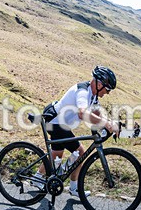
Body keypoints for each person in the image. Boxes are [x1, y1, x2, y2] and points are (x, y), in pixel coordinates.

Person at [39, 65, 119, 198]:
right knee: (80, 152)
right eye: (108, 89)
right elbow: (82, 113)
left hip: (60, 123)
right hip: (55, 122)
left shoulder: (93, 96)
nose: (108, 93)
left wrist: (110, 123)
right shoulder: (83, 91)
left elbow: (97, 114)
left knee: (57, 154)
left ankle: (37, 178)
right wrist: (106, 124)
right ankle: (73, 188)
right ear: (99, 84)